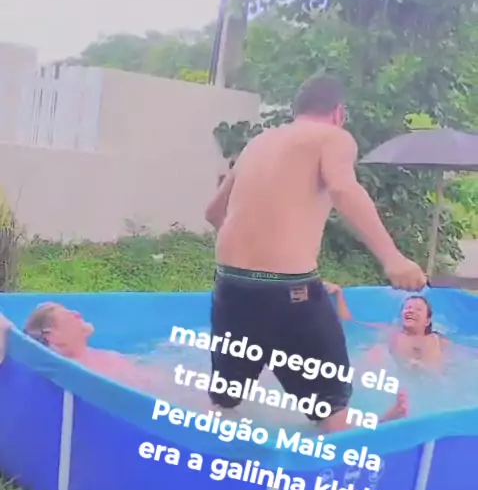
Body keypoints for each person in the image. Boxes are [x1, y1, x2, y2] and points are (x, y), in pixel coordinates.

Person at [204, 75, 427, 431]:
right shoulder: (332, 137)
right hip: (288, 292)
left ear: (297, 110)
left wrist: (258, 256)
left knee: (224, 403)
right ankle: (365, 432)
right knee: (330, 413)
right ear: (339, 112)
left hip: (230, 288)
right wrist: (393, 258)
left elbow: (214, 212)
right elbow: (343, 189)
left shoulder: (258, 142)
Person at [0, 303, 161, 392]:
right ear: (52, 335)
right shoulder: (75, 371)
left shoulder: (98, 356)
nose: (76, 313)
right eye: (67, 315)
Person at [325, 283, 447, 372]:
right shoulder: (391, 332)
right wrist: (339, 294)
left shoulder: (438, 341)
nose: (411, 311)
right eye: (407, 308)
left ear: (427, 321)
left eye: (418, 309)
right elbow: (351, 324)